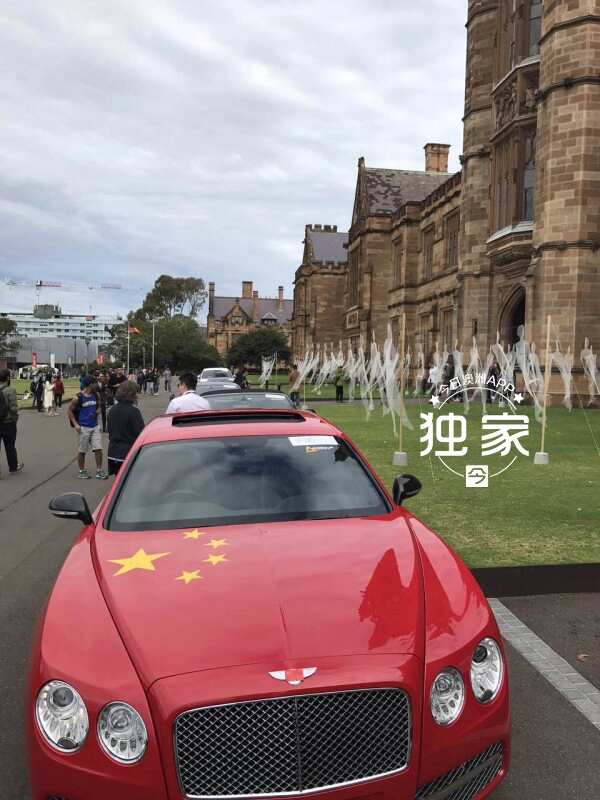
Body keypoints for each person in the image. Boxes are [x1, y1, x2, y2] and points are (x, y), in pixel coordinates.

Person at [68, 376, 108, 480]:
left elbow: (99, 405)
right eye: (95, 383)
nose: (97, 385)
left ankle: (99, 470)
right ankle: (82, 471)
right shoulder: (78, 397)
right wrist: (76, 425)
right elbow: (69, 411)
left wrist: (98, 410)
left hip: (95, 426)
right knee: (82, 450)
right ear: (90, 384)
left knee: (98, 448)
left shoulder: (96, 395)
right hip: (83, 428)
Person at [107, 381, 145, 475]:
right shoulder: (134, 412)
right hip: (128, 453)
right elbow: (141, 435)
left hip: (112, 452)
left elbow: (110, 431)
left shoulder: (112, 410)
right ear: (131, 394)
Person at [0, 368, 24, 477]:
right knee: (10, 445)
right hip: (8, 422)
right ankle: (13, 466)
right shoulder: (10, 390)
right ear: (8, 378)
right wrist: (15, 418)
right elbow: (13, 408)